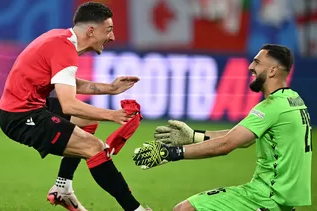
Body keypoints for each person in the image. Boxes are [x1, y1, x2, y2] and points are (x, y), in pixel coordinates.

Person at [0, 2, 151, 211]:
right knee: (94, 147)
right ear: (91, 31)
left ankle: (63, 187)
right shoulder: (65, 49)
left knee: (87, 118)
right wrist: (113, 115)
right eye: (109, 30)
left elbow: (67, 82)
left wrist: (111, 88)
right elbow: (69, 104)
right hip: (20, 117)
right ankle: (135, 209)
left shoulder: (60, 38)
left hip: (29, 106)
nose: (112, 37)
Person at [133, 44, 312, 211]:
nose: (250, 67)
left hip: (265, 196)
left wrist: (171, 153)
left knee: (185, 208)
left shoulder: (271, 107)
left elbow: (226, 145)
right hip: (284, 198)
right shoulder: (293, 100)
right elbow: (240, 138)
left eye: (257, 62)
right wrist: (194, 136)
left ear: (272, 70)